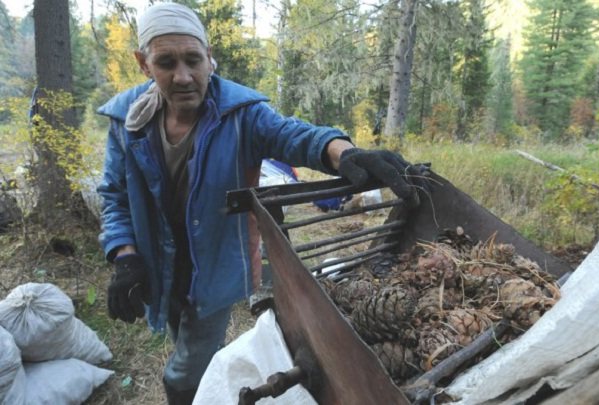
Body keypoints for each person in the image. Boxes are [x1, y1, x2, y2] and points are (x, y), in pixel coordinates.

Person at [96, 3, 426, 404]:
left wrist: (344, 153)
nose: (183, 76)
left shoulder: (240, 114)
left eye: (192, 59)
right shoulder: (127, 120)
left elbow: (293, 135)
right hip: (159, 263)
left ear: (209, 55)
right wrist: (125, 256)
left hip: (215, 267)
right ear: (144, 64)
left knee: (184, 368)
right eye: (166, 62)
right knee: (181, 335)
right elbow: (114, 196)